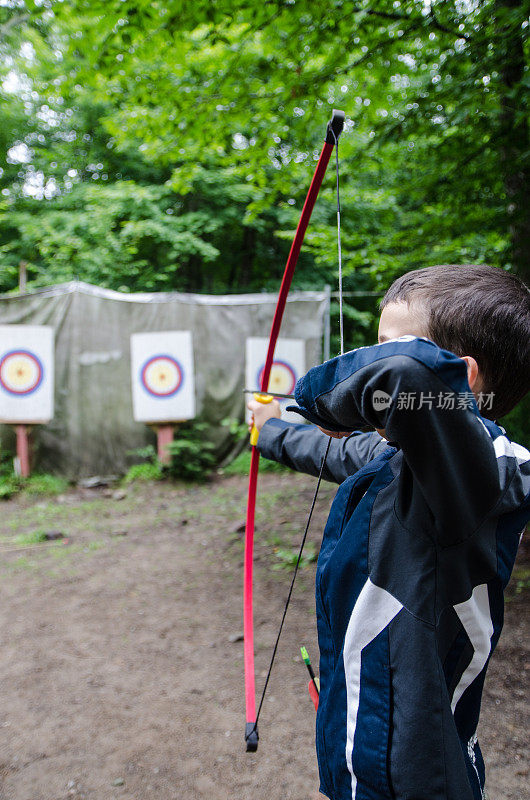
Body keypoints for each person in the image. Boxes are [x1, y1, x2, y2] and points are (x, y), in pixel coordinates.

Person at [247, 264, 530, 800]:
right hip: (365, 746)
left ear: (460, 377)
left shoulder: (486, 470)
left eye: (380, 347)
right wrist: (272, 430)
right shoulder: (405, 455)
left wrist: (321, 399)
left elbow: (404, 371)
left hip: (410, 770)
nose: (365, 363)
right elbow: (334, 450)